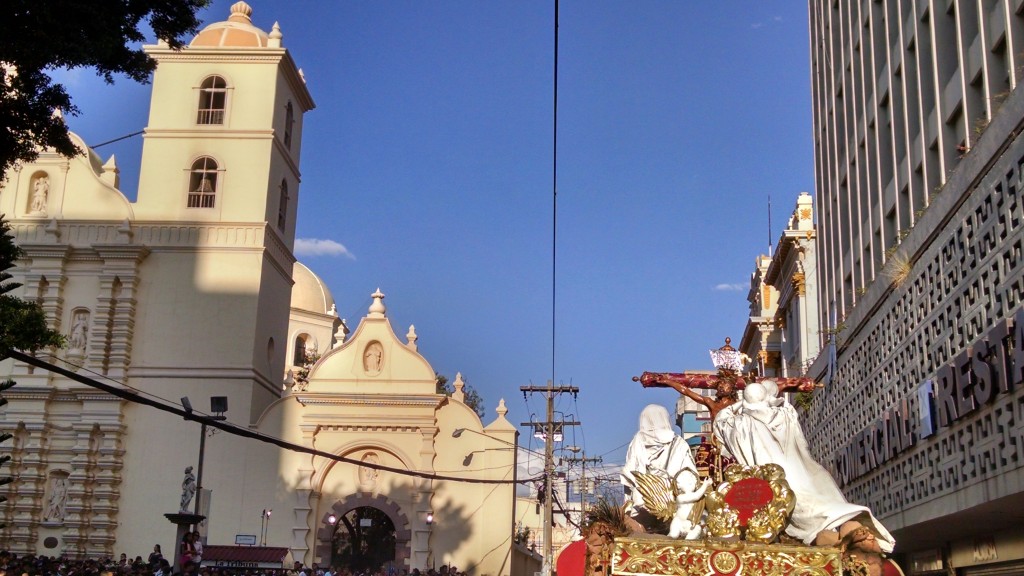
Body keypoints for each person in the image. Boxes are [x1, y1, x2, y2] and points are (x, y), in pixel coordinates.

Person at [713, 381, 895, 557]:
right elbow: (785, 408)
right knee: (820, 503)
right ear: (766, 399)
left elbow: (720, 421)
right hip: (799, 473)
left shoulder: (738, 424)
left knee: (805, 510)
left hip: (773, 485)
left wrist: (738, 404)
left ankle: (842, 530)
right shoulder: (784, 415)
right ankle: (842, 527)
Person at [620, 404, 697, 525]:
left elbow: (630, 470)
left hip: (643, 499)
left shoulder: (638, 440)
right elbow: (690, 474)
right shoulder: (679, 442)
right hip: (672, 502)